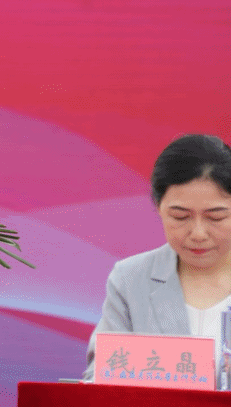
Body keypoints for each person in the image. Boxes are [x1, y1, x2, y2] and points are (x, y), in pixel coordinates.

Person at [83, 134, 231, 381]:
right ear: (158, 207)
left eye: (216, 217)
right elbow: (98, 378)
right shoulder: (131, 278)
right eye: (180, 216)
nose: (198, 234)